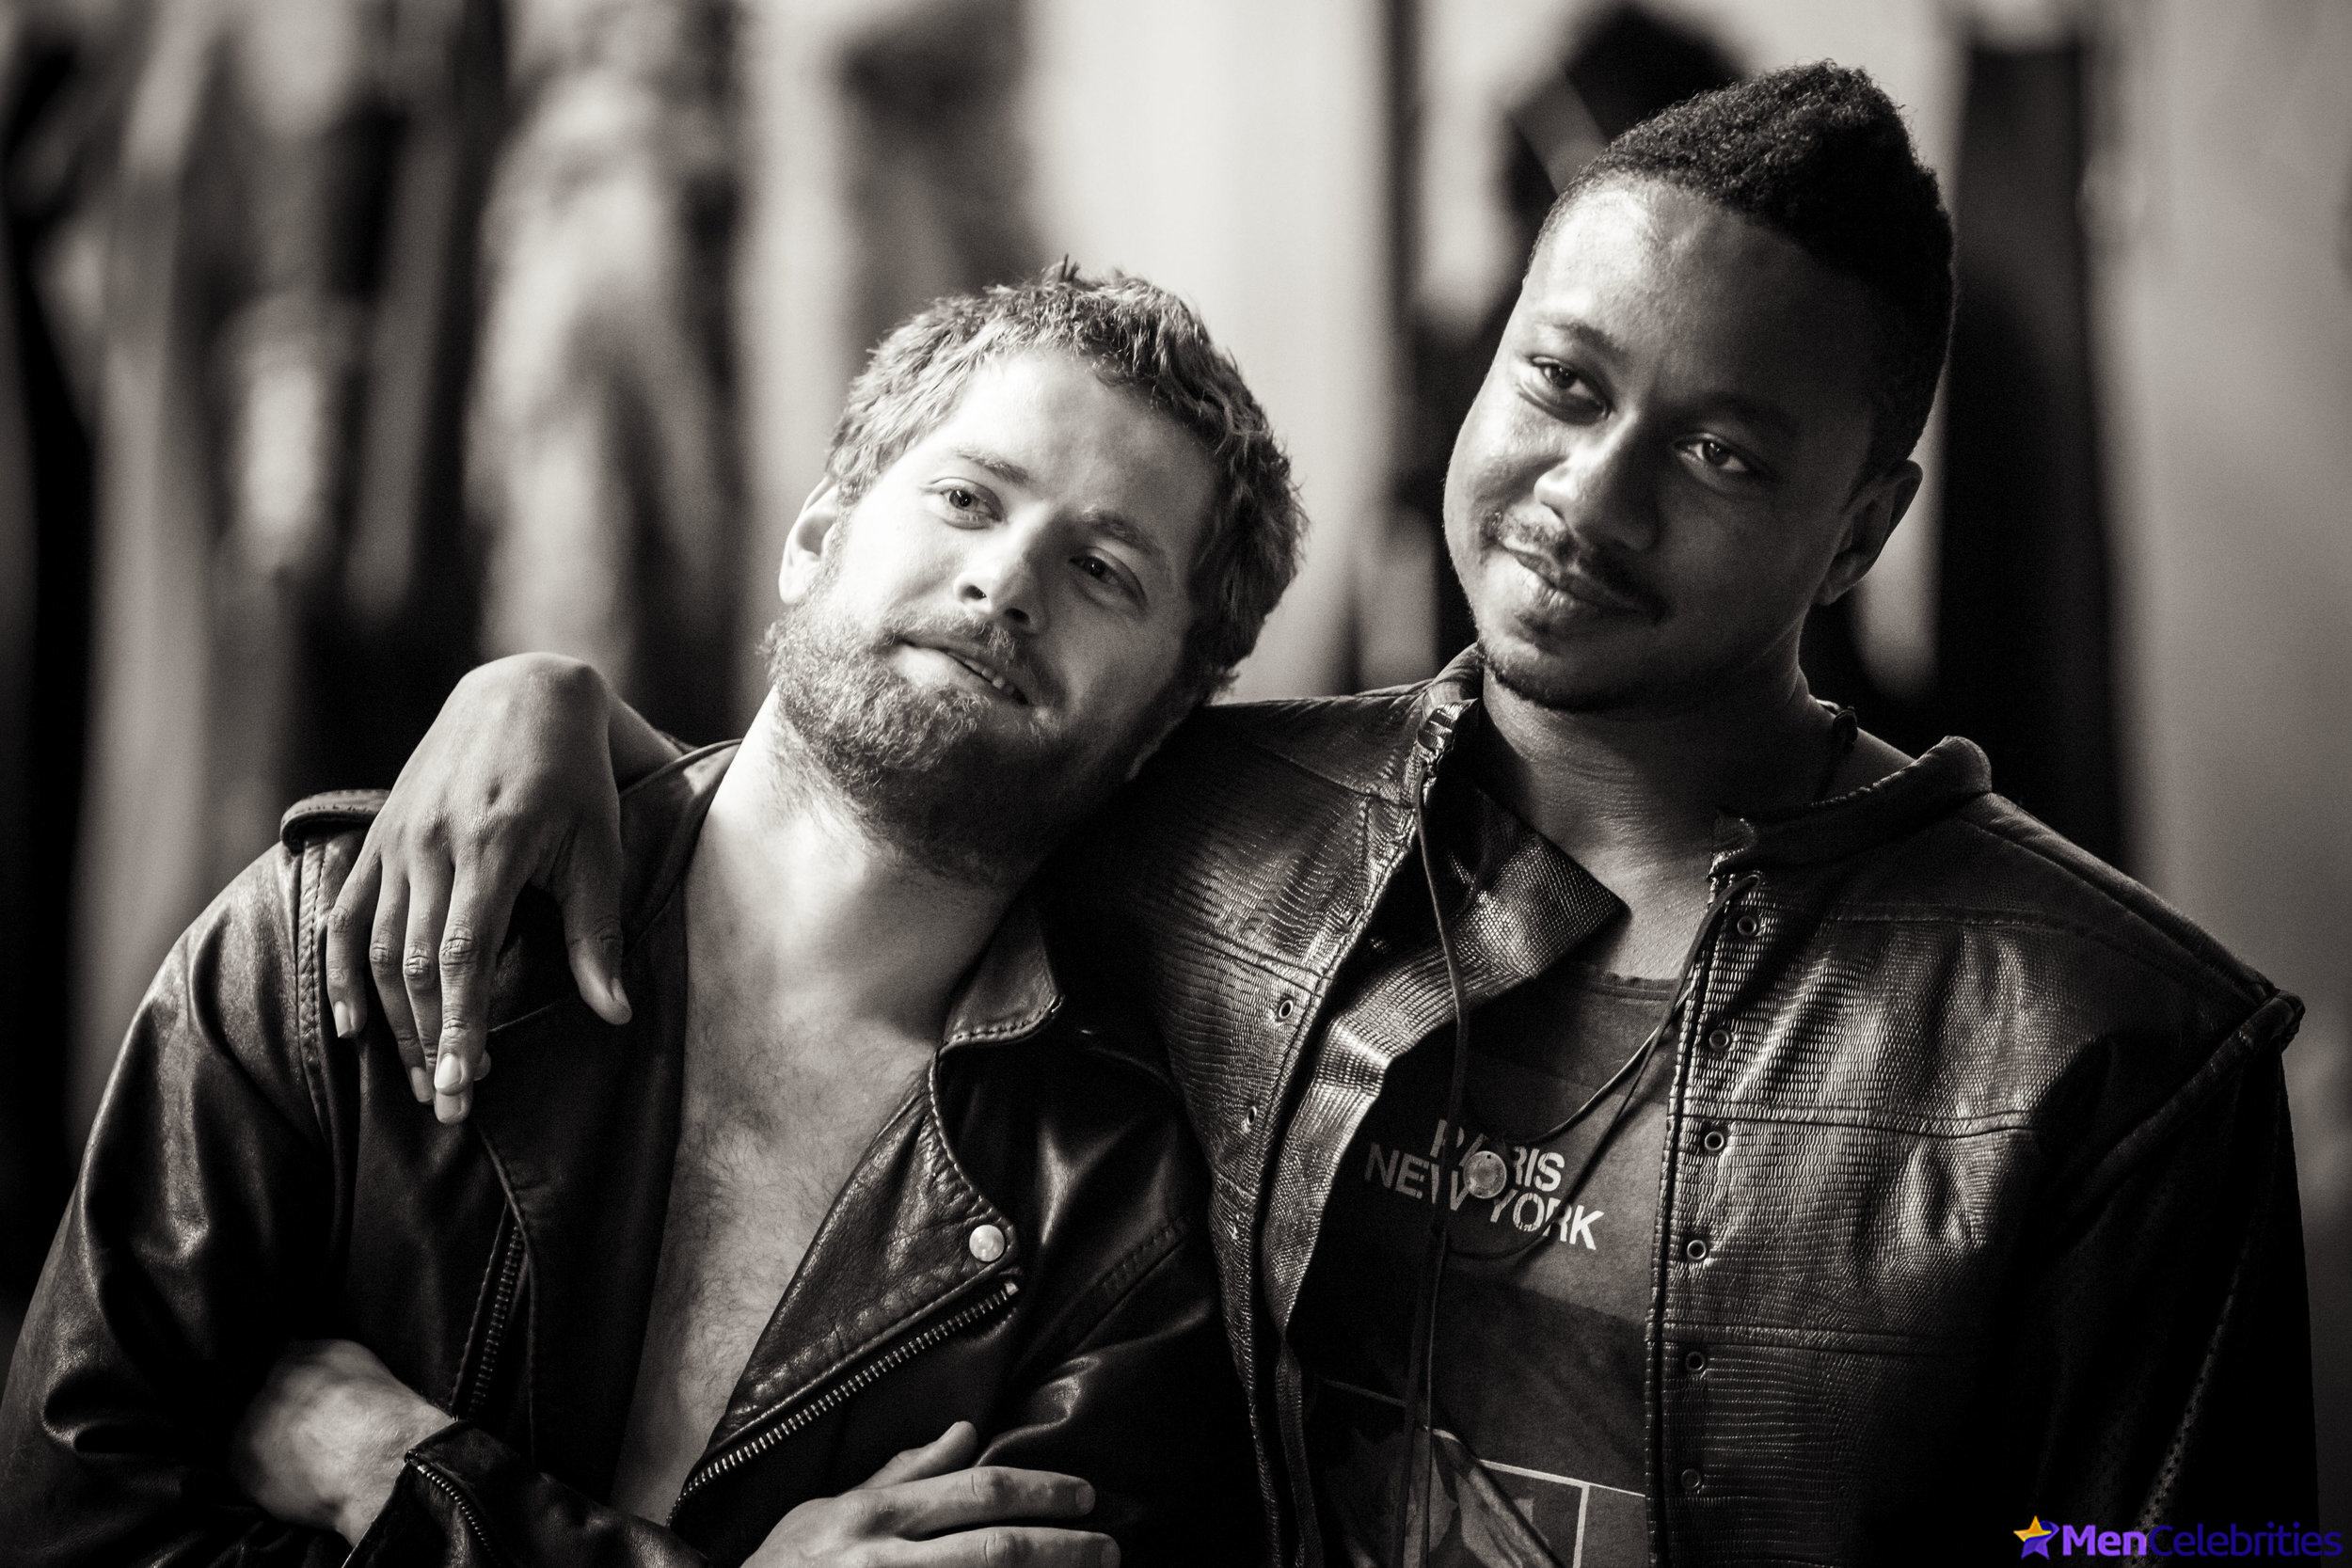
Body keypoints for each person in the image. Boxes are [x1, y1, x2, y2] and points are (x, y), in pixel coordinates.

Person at [286, 66, 2313, 1565]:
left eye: (1719, 454)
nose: (1588, 497)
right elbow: (859, 794)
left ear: (1860, 527)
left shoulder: (2105, 1049)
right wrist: (553, 706)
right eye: (1561, 383)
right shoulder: (1222, 828)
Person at [0, 271, 1305, 1565]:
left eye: (1103, 570)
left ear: (1160, 731)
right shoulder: (337, 935)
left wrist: (409, 1480)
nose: (1007, 582)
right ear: (816, 536)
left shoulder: (1114, 1227)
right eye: (967, 497)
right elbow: (68, 1532)